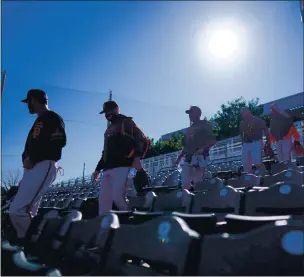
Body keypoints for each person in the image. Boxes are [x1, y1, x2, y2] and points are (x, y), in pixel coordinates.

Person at [9, 89, 66, 245]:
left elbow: (59, 141)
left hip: (43, 165)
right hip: (33, 167)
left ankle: (35, 242)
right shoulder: (39, 120)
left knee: (16, 210)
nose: (27, 105)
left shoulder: (52, 117)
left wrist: (33, 158)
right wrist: (26, 158)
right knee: (28, 209)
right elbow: (30, 146)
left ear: (34, 100)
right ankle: (26, 245)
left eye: (28, 102)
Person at [93, 100, 149, 216]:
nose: (107, 114)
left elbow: (142, 139)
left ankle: (131, 218)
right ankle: (104, 227)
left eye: (109, 111)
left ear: (117, 109)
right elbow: (105, 152)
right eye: (105, 112)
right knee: (103, 201)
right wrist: (97, 169)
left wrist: (137, 158)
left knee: (118, 198)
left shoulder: (126, 122)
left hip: (123, 166)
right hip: (107, 168)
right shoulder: (107, 130)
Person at [175, 106, 216, 190]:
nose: (189, 115)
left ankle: (198, 201)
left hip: (200, 158)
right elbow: (186, 147)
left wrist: (202, 149)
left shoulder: (204, 124)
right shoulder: (189, 129)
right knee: (185, 184)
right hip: (188, 159)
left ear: (198, 114)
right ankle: (187, 201)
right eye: (189, 113)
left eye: (191, 113)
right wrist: (178, 159)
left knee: (197, 183)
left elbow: (212, 141)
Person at [239, 107, 270, 175]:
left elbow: (266, 130)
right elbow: (241, 133)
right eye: (242, 113)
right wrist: (242, 142)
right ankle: (250, 181)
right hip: (246, 144)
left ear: (249, 111)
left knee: (257, 163)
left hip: (256, 142)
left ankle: (265, 175)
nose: (243, 114)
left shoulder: (257, 119)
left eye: (244, 112)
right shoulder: (242, 123)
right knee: (246, 165)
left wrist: (268, 142)